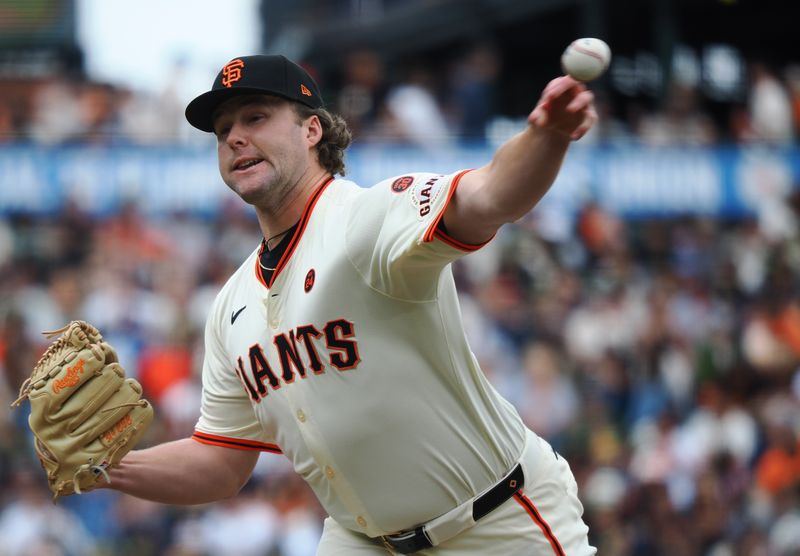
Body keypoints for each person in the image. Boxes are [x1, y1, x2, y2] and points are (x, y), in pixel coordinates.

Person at [103, 54, 598, 555]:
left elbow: (488, 196)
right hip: (362, 541)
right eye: (223, 128)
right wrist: (103, 465)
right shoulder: (230, 304)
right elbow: (220, 463)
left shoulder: (365, 219)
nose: (234, 136)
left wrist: (546, 136)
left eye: (255, 117)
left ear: (312, 129)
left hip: (494, 523)